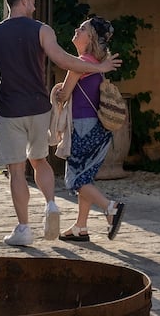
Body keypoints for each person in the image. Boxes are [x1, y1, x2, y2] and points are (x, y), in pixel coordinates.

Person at [0, 0, 122, 247]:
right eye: (31, 1)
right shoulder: (42, 30)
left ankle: (23, 228)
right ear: (21, 1)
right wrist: (100, 66)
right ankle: (52, 205)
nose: (34, 6)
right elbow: (64, 60)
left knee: (17, 170)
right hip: (39, 108)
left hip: (10, 110)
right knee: (40, 161)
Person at [54, 16, 125, 242]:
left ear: (90, 37)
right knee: (85, 177)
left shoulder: (81, 62)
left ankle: (110, 208)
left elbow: (64, 95)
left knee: (74, 180)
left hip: (83, 126)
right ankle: (80, 227)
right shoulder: (96, 61)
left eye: (82, 28)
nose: (77, 29)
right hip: (100, 129)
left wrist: (56, 91)